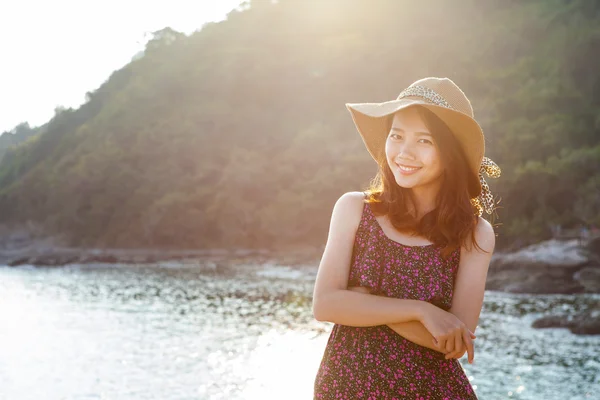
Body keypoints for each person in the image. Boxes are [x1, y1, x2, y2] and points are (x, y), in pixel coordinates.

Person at [312, 77, 501, 399]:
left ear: (451, 152)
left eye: (424, 141)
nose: (404, 152)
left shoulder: (475, 233)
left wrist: (363, 300)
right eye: (396, 135)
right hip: (345, 387)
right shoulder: (354, 208)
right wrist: (422, 311)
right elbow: (326, 304)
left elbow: (455, 341)